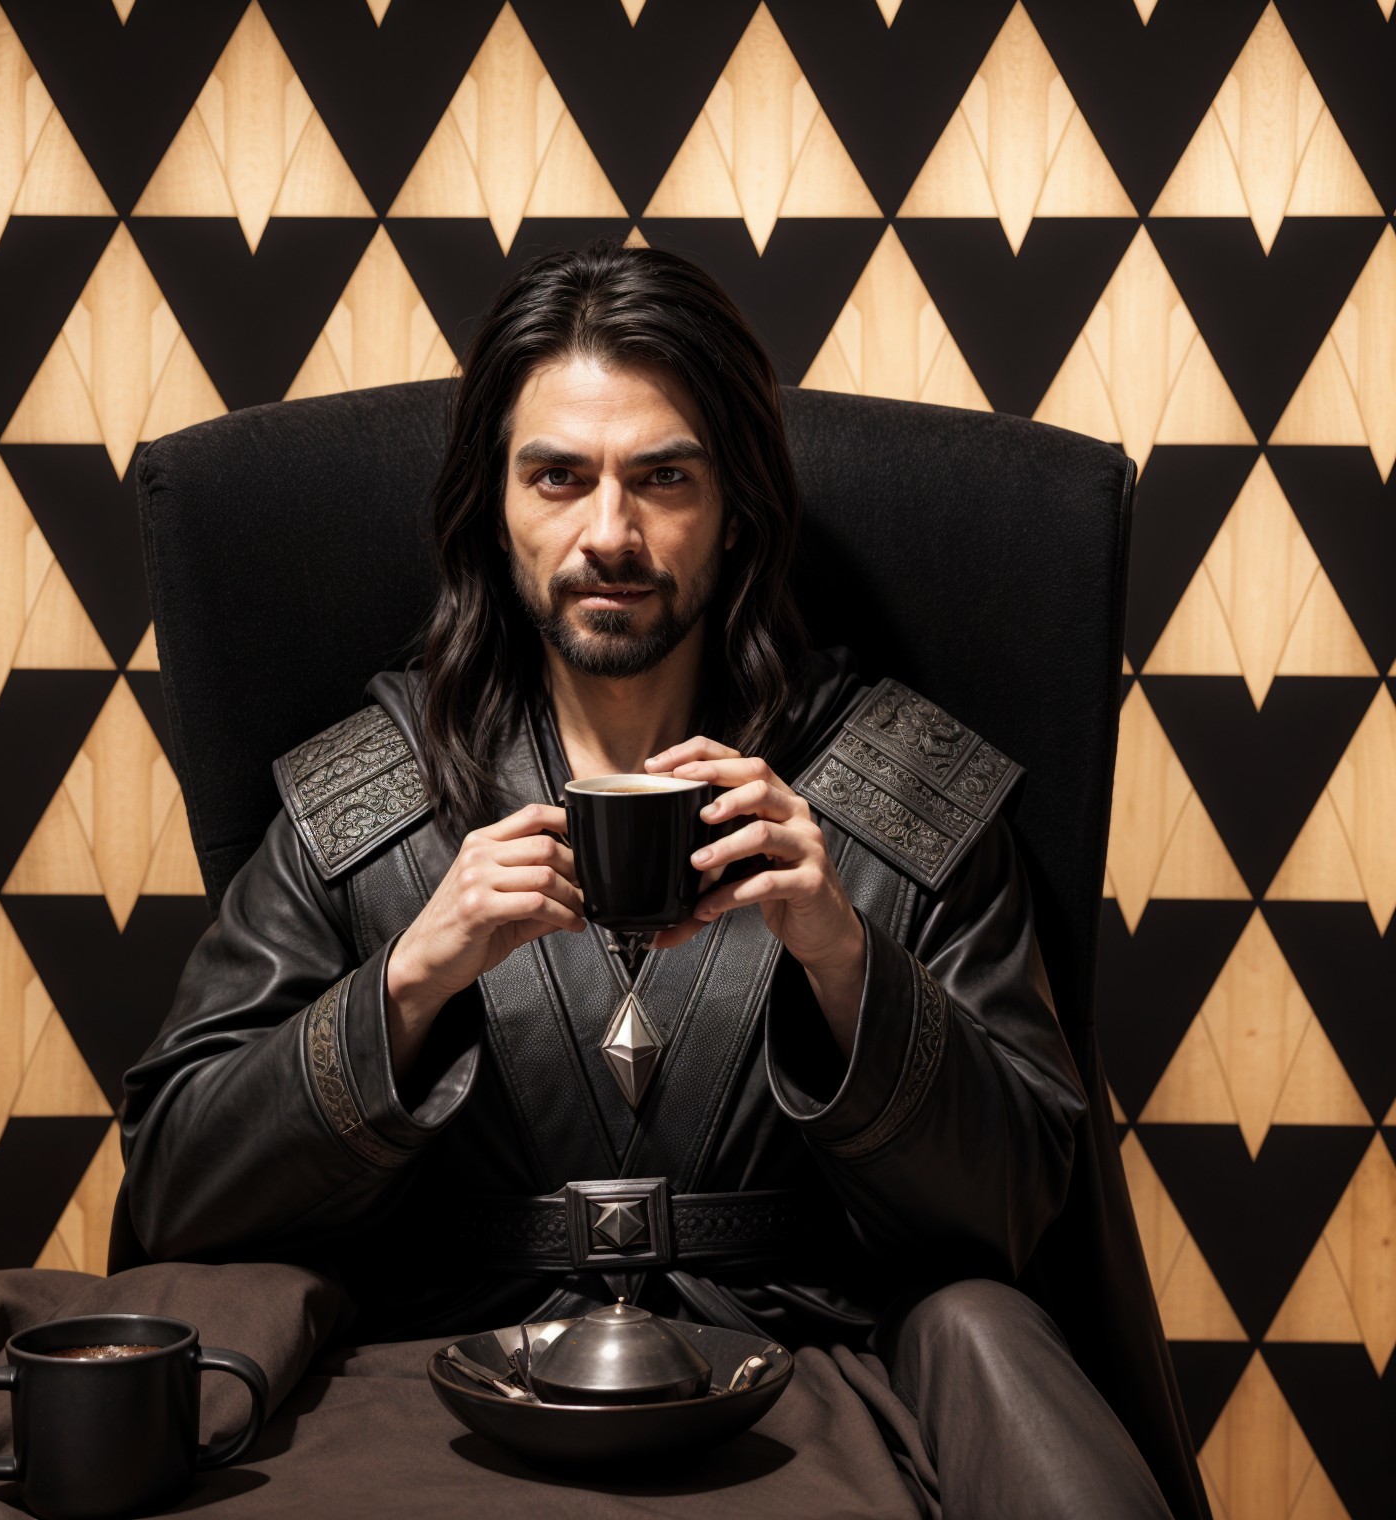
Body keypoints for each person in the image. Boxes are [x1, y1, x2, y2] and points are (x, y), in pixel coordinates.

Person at [110, 241, 1193, 1518]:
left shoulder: (905, 791)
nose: (607, 532)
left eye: (662, 477)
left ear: (734, 506)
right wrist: (407, 981)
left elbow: (1027, 1212)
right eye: (557, 476)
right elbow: (173, 1183)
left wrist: (842, 956)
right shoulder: (364, 796)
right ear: (491, 504)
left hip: (807, 1395)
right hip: (432, 1398)